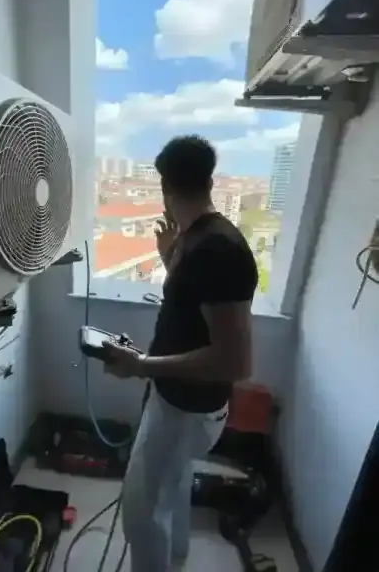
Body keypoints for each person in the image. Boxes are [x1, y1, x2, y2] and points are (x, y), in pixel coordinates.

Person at [103, 135, 258, 572]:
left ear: (164, 186)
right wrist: (169, 256)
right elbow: (194, 300)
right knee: (171, 486)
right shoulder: (198, 237)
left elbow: (235, 362)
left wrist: (141, 366)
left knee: (141, 511)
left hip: (186, 409)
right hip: (180, 399)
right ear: (209, 181)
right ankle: (177, 557)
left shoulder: (217, 250)